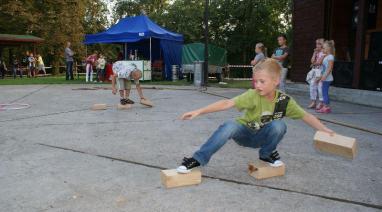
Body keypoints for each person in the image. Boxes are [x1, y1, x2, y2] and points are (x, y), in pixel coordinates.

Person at [175, 58, 334, 174]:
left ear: (276, 81)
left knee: (279, 125)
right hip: (244, 133)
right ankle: (197, 159)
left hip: (263, 136)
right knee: (228, 126)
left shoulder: (285, 101)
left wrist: (324, 129)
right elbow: (227, 104)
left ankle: (266, 154)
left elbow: (307, 116)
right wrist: (199, 111)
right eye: (255, 81)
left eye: (262, 81)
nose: (257, 85)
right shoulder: (253, 95)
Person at [317, 40, 335, 113]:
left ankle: (326, 107)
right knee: (323, 92)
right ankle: (325, 106)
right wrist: (321, 76)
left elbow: (330, 68)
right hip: (325, 77)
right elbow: (321, 66)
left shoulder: (330, 56)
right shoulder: (326, 56)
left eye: (324, 48)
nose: (322, 49)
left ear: (328, 49)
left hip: (327, 78)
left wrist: (324, 76)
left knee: (324, 92)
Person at [306, 38, 325, 109]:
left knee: (320, 87)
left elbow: (319, 62)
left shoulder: (324, 53)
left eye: (319, 44)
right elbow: (312, 61)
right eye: (316, 43)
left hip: (321, 72)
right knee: (312, 86)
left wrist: (314, 63)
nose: (317, 45)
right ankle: (313, 101)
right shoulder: (316, 53)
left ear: (323, 45)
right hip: (315, 72)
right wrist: (314, 53)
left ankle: (321, 102)